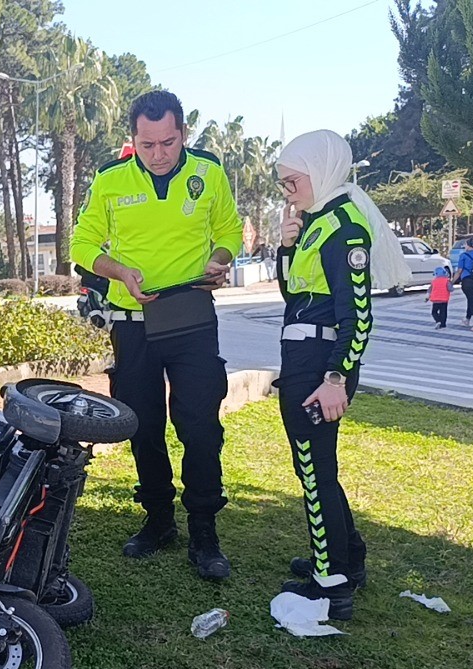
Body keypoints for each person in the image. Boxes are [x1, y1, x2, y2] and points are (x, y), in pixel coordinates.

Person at [70, 90, 244, 581]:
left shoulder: (208, 172)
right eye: (147, 145)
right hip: (133, 323)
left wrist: (220, 260)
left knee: (200, 426)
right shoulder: (110, 179)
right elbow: (81, 244)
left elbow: (230, 230)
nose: (159, 154)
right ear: (133, 139)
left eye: (168, 142)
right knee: (143, 426)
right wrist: (119, 272)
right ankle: (158, 518)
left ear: (183, 133)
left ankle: (204, 529)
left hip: (191, 317)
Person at [274, 130, 407, 619]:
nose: (287, 193)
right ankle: (345, 560)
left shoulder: (344, 228)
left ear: (321, 172)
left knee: (315, 472)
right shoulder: (318, 221)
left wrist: (335, 380)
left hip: (319, 365)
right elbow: (295, 296)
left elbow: (359, 317)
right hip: (303, 359)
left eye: (293, 182)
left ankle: (331, 583)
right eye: (283, 184)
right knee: (316, 468)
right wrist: (286, 247)